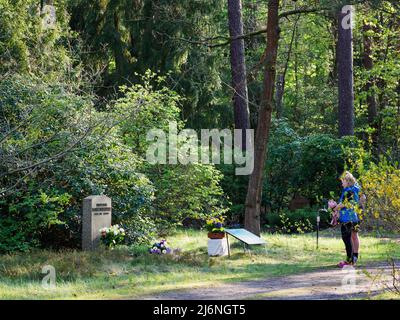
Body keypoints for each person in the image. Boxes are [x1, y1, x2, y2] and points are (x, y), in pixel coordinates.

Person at [330, 171, 361, 267]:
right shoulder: (352, 190)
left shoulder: (349, 191)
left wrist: (334, 207)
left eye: (343, 181)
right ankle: (351, 259)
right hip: (352, 218)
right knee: (349, 239)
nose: (341, 183)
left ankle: (350, 261)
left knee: (347, 240)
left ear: (347, 181)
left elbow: (345, 204)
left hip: (348, 219)